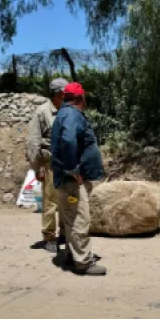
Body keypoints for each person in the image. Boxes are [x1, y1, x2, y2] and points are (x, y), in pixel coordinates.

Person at [50, 82, 107, 276]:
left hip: (67, 179)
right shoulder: (71, 115)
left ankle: (71, 254)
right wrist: (73, 169)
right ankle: (83, 262)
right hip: (71, 181)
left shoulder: (64, 114)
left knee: (70, 218)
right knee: (79, 218)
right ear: (80, 98)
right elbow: (68, 141)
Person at [26, 77, 69, 253]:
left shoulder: (67, 110)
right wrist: (38, 168)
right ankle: (49, 236)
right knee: (50, 201)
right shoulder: (42, 112)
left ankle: (65, 232)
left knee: (66, 200)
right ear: (59, 94)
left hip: (67, 163)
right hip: (50, 163)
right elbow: (33, 142)